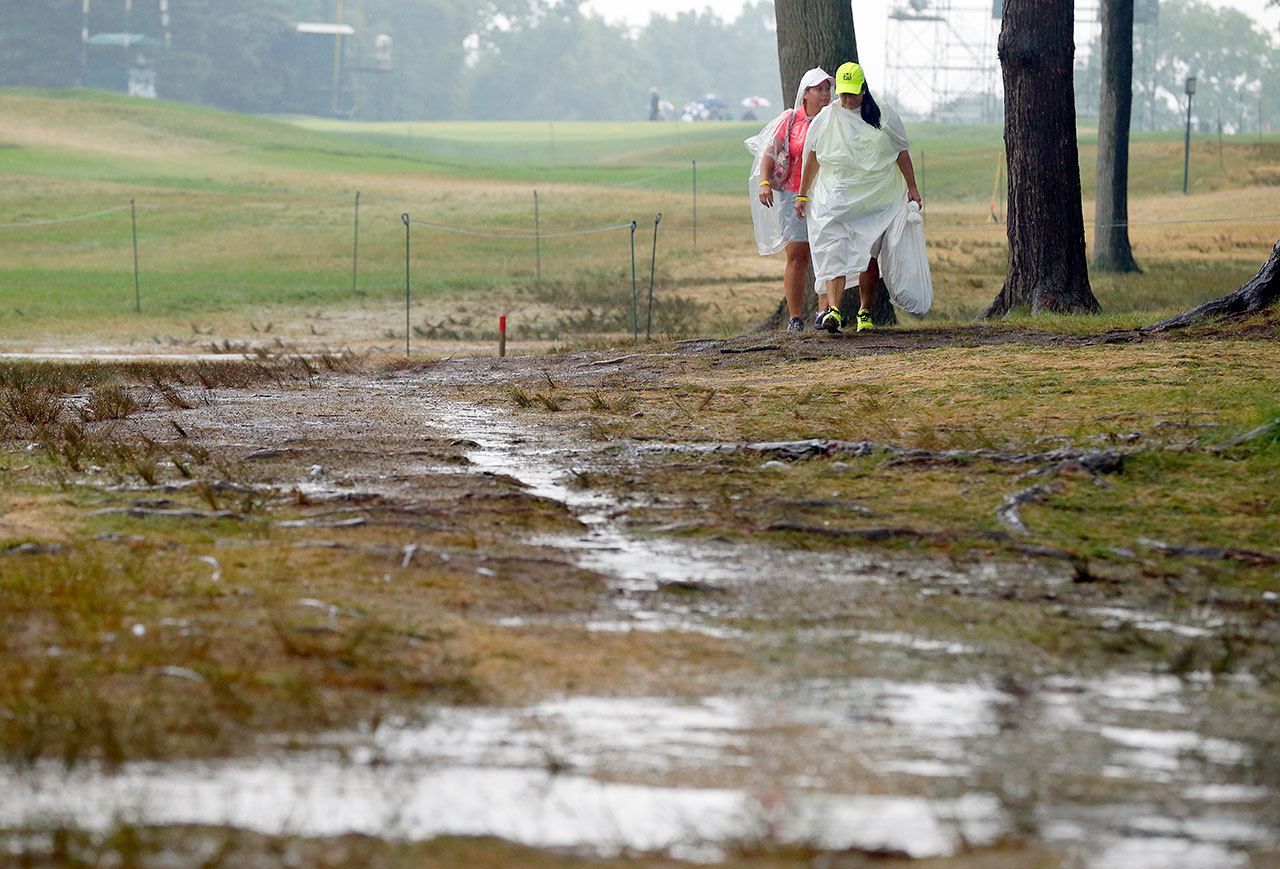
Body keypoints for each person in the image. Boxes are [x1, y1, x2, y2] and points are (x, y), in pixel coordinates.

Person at [796, 61, 924, 334]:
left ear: (863, 90)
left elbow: (901, 152)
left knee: (868, 252)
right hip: (839, 197)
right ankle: (833, 310)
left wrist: (912, 187)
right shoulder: (827, 118)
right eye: (842, 93)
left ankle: (865, 311)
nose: (846, 99)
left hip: (875, 197)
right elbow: (814, 156)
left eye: (852, 93)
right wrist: (803, 194)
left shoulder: (883, 116)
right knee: (834, 248)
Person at [757, 68, 833, 332]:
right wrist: (764, 182)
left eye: (827, 89)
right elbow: (770, 153)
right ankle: (795, 317)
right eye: (819, 89)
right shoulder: (792, 121)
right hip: (792, 194)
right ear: (806, 94)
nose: (825, 94)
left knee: (827, 251)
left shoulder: (834, 119)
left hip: (825, 193)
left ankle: (826, 311)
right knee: (797, 255)